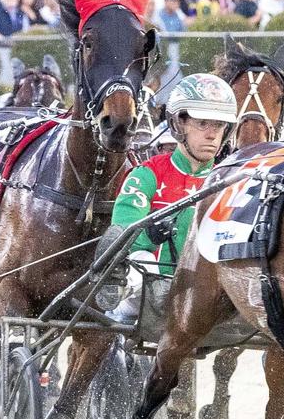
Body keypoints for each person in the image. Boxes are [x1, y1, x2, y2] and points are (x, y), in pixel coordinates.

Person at [96, 73, 237, 319]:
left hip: (208, 291)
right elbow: (123, 230)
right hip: (146, 291)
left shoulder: (231, 182)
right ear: (179, 124)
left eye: (219, 125)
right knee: (141, 258)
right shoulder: (147, 175)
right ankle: (115, 286)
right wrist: (148, 234)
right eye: (202, 123)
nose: (212, 134)